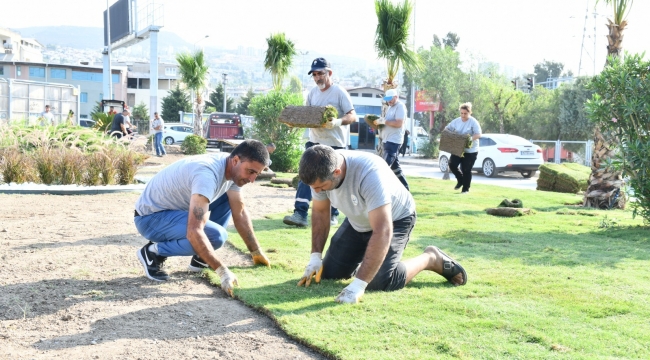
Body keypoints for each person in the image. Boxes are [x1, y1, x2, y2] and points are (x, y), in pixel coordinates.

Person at [296, 145, 467, 304]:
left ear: (337, 172)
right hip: (359, 220)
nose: (317, 192)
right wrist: (315, 257)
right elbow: (320, 212)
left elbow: (382, 230)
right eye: (314, 187)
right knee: (327, 274)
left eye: (322, 187)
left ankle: (430, 258)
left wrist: (358, 285)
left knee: (378, 281)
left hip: (395, 219)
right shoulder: (319, 170)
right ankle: (366, 262)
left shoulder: (369, 173)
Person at [134, 140, 272, 297]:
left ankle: (201, 257)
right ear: (235, 160)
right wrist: (222, 271)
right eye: (250, 172)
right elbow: (194, 231)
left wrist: (256, 251)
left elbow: (239, 211)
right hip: (150, 218)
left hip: (175, 212)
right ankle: (153, 252)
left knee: (229, 200)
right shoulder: (206, 174)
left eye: (257, 174)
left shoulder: (234, 170)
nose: (252, 179)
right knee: (217, 236)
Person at [283, 57, 357, 228]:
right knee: (305, 176)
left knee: (332, 179)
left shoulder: (339, 92)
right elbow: (307, 116)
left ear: (329, 73)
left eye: (320, 74)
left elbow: (352, 115)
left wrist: (337, 122)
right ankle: (299, 214)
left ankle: (333, 214)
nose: (317, 78)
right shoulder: (312, 93)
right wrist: (294, 123)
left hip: (335, 144)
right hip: (314, 143)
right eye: (314, 75)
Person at [373, 89, 409, 190]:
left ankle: (379, 189)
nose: (389, 101)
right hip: (386, 140)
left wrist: (384, 121)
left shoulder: (400, 106)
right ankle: (405, 189)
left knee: (385, 166)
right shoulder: (390, 107)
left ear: (396, 97)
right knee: (395, 167)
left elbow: (398, 123)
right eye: (387, 99)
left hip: (394, 141)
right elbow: (387, 123)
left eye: (390, 99)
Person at [444, 102, 482, 194]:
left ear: (469, 113)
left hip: (471, 150)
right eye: (461, 113)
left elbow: (478, 134)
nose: (463, 115)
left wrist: (469, 139)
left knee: (466, 169)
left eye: (465, 113)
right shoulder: (456, 121)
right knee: (452, 164)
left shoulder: (473, 122)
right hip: (458, 148)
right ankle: (460, 180)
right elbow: (446, 129)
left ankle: (465, 189)